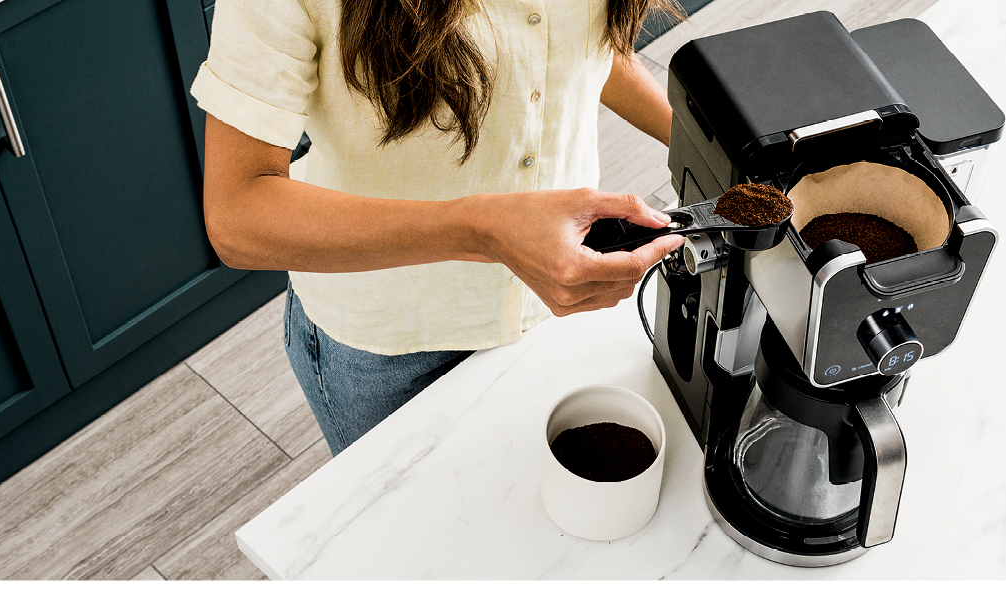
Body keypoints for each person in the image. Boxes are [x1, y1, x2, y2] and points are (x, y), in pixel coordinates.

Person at [191, 0, 685, 455]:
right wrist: (480, 230)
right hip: (391, 347)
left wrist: (695, 137)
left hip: (560, 303)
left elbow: (574, 31)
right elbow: (237, 214)